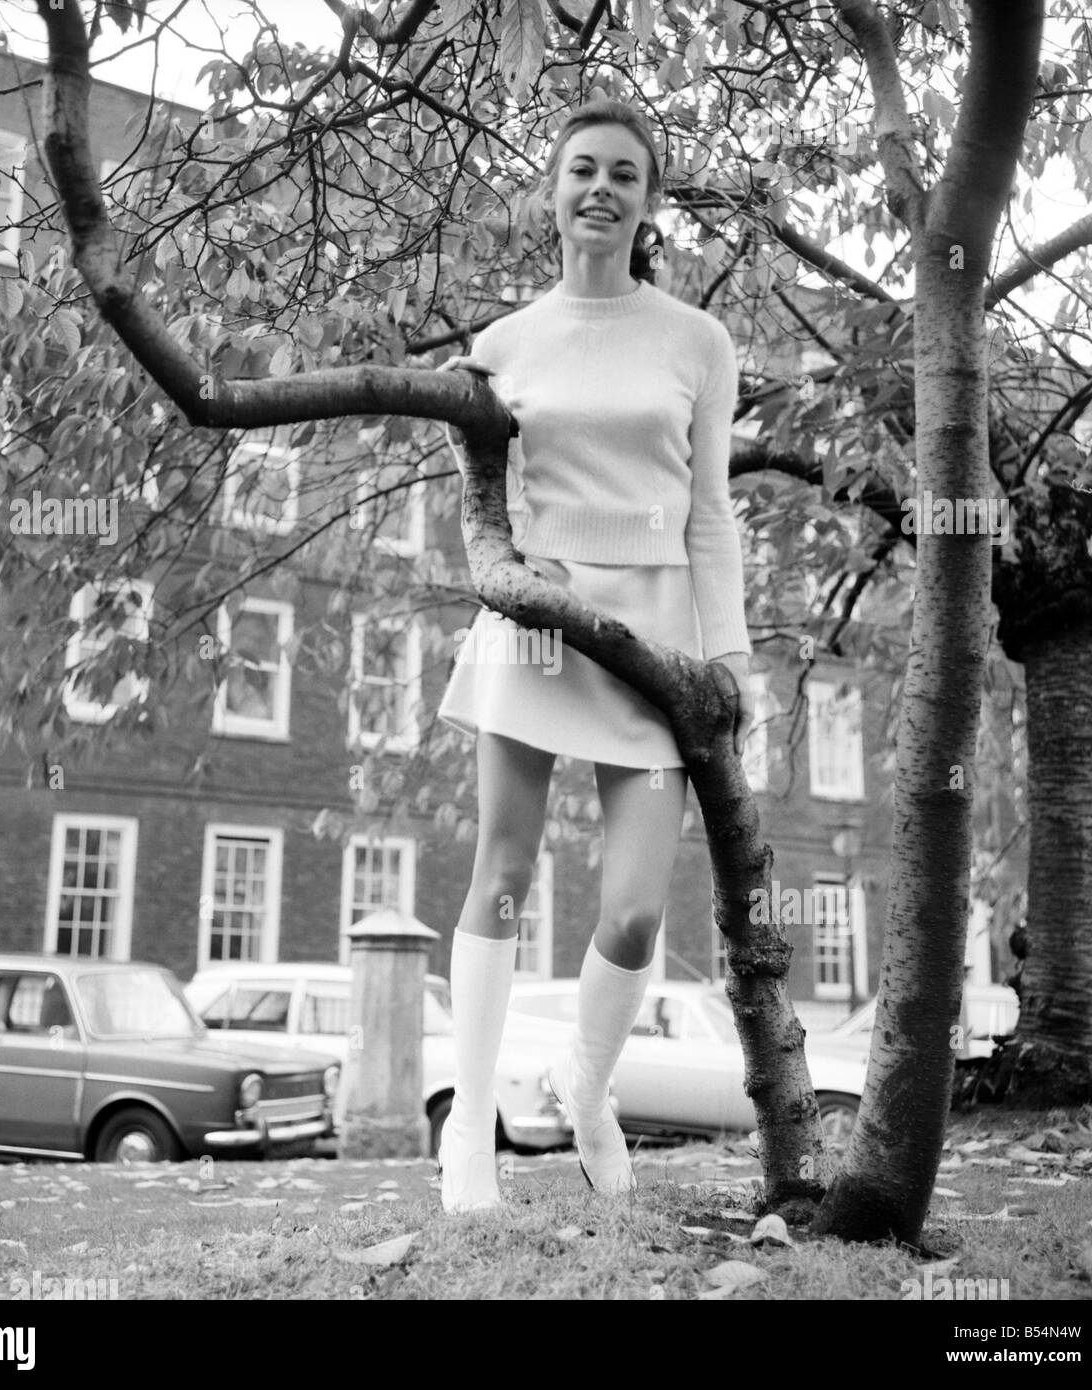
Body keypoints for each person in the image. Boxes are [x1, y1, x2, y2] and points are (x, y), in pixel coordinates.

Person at [434, 98, 754, 1213]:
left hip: (656, 646)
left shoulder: (694, 341)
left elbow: (709, 515)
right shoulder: (501, 347)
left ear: (647, 200)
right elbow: (476, 510)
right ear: (552, 190)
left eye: (624, 172)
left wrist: (730, 663)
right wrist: (525, 572)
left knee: (630, 913)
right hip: (533, 627)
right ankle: (466, 1130)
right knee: (505, 874)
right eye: (580, 169)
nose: (600, 188)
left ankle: (583, 1085)